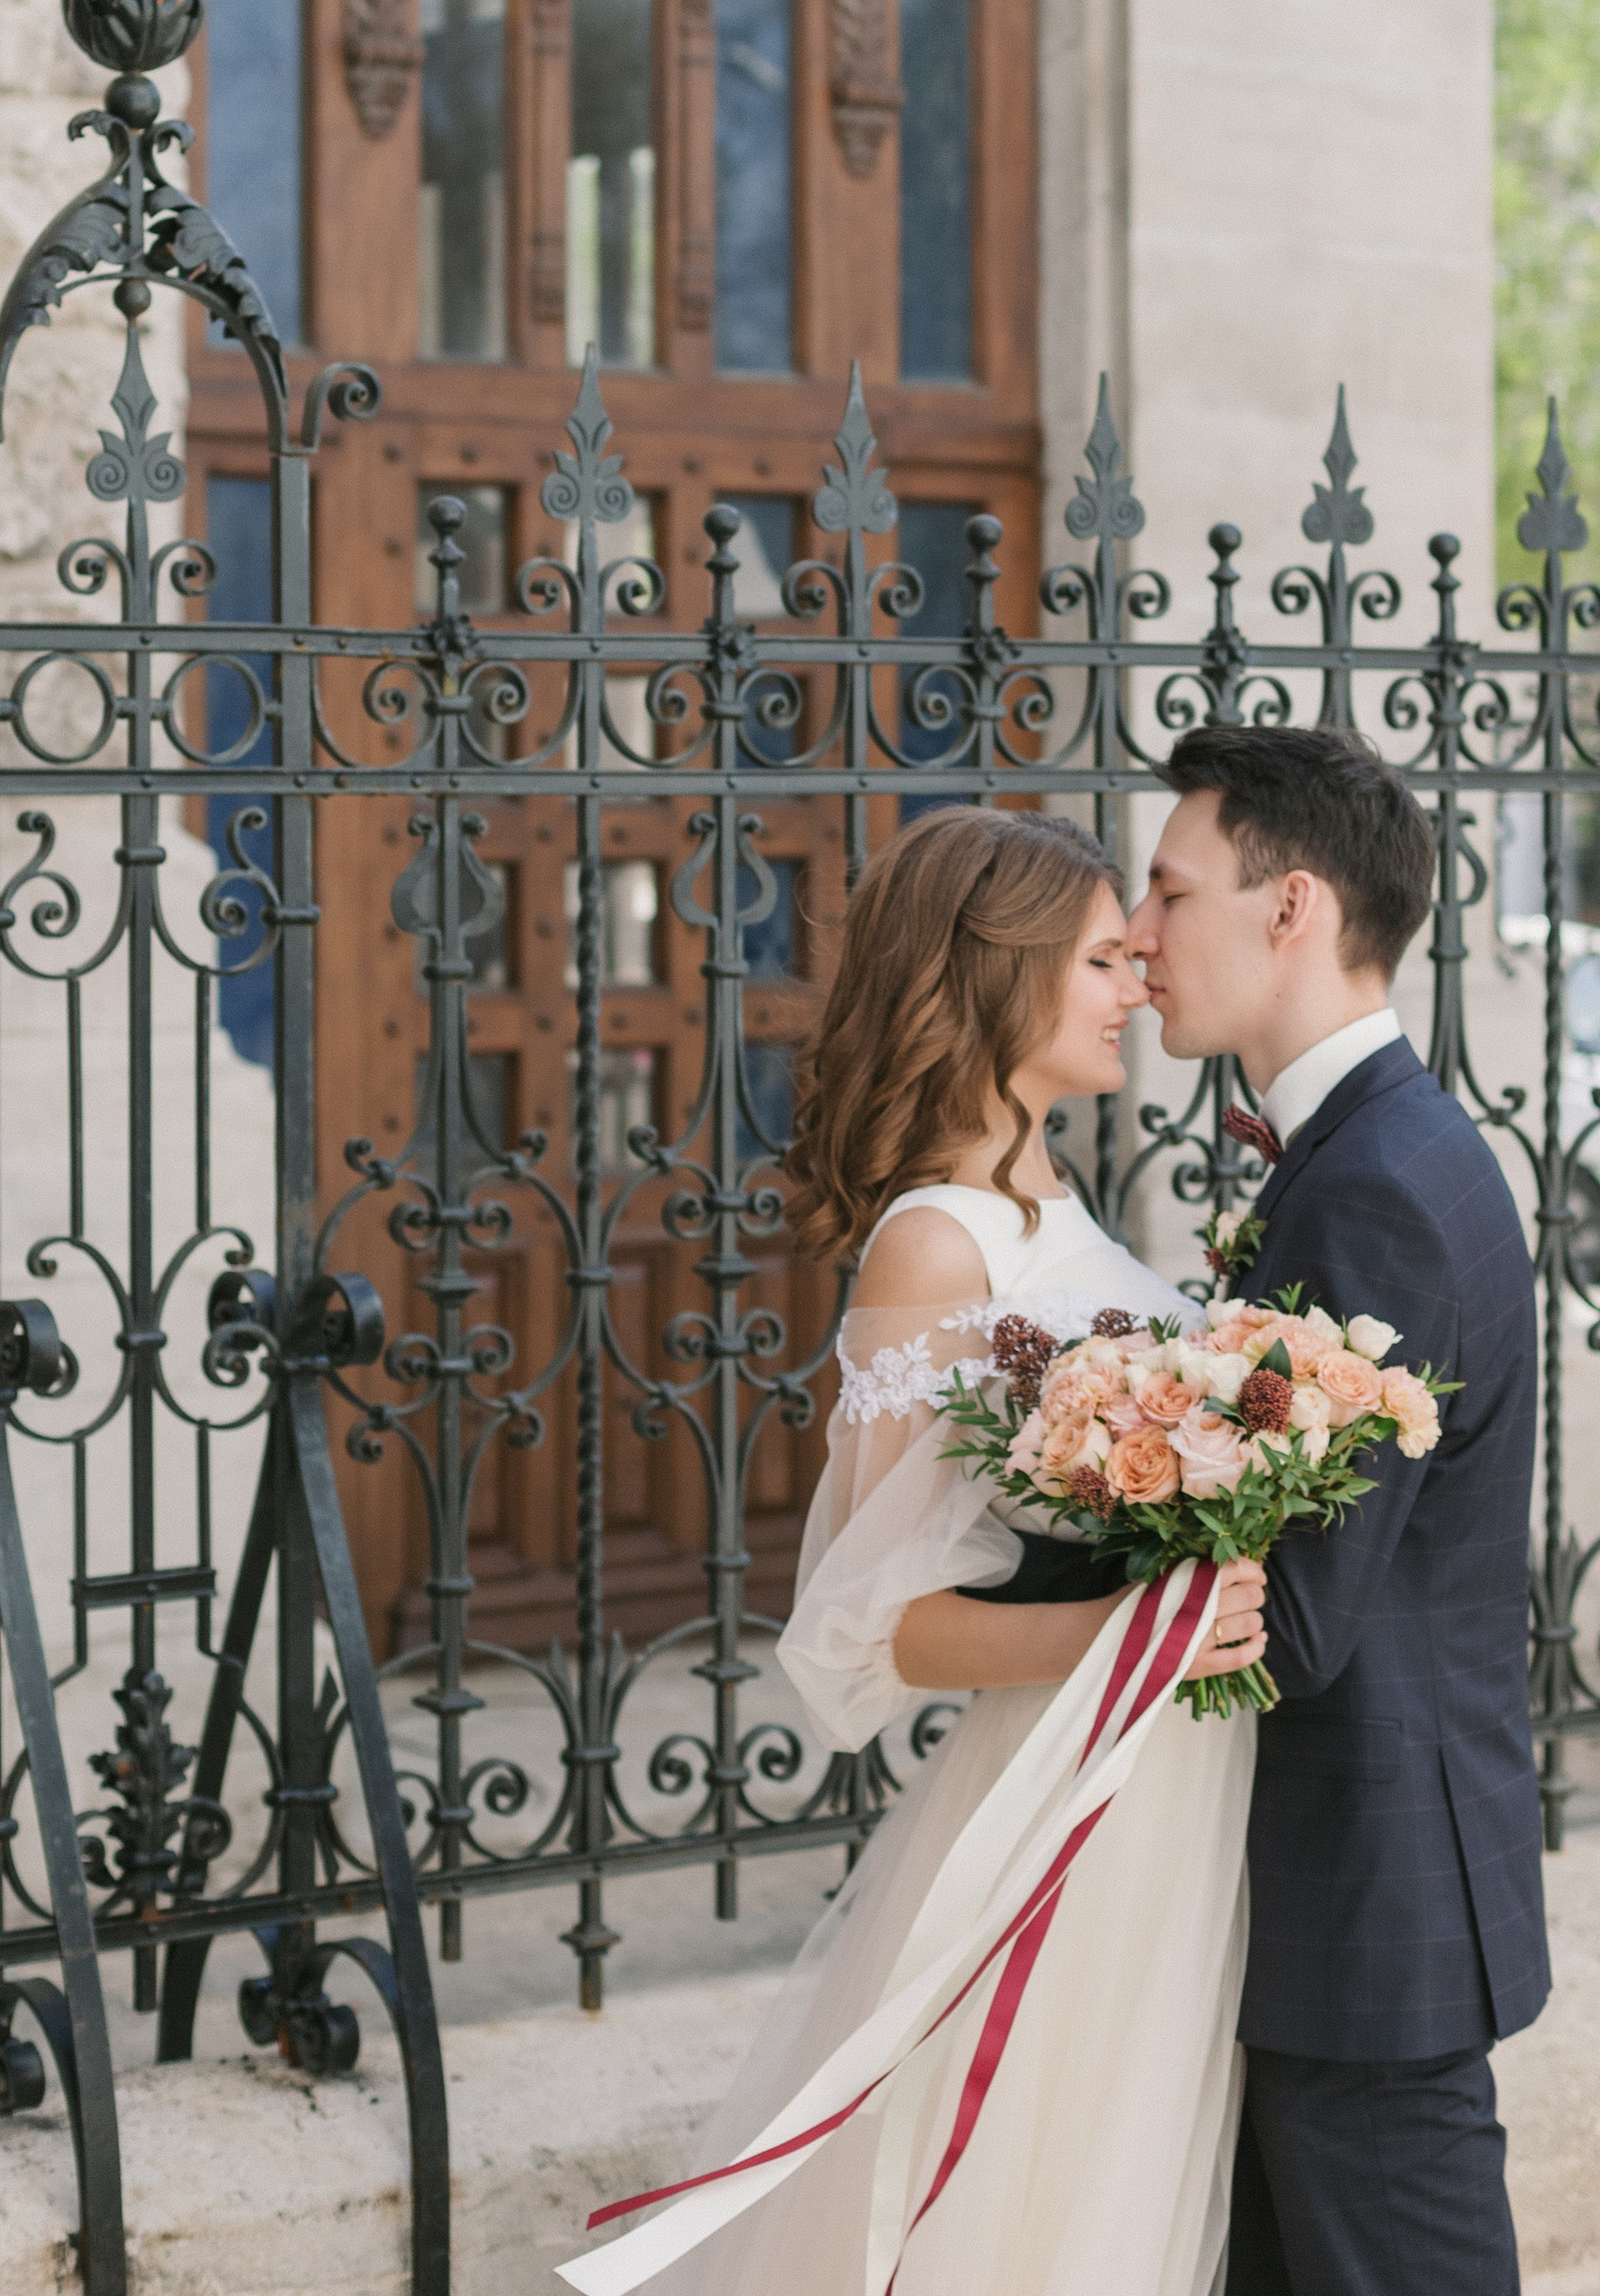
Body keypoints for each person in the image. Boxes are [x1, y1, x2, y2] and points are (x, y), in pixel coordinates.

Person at [560, 806, 1268, 2296]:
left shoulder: (1054, 1199)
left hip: (1164, 1769)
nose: (1136, 979)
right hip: (1069, 1776)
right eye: (1099, 959)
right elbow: (871, 1622)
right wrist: (1128, 1638)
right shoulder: (940, 1244)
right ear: (996, 974)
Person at [1132, 721, 1548, 2296]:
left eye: (1172, 892)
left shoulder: (1372, 1183)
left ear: (1291, 906)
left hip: (1369, 1916)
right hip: (1346, 1900)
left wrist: (1071, 1506)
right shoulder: (1375, 1148)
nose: (1139, 933)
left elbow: (1294, 1621)